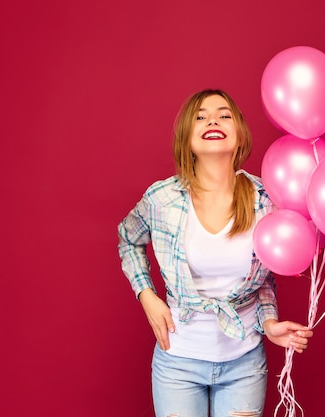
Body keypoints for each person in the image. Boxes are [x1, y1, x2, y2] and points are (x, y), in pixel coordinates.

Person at [117, 89, 313, 417]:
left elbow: (262, 280)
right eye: (201, 116)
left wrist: (270, 322)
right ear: (187, 138)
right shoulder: (161, 199)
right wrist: (146, 295)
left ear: (239, 135)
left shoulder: (266, 199)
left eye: (224, 115)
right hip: (177, 361)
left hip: (244, 363)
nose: (213, 120)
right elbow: (128, 240)